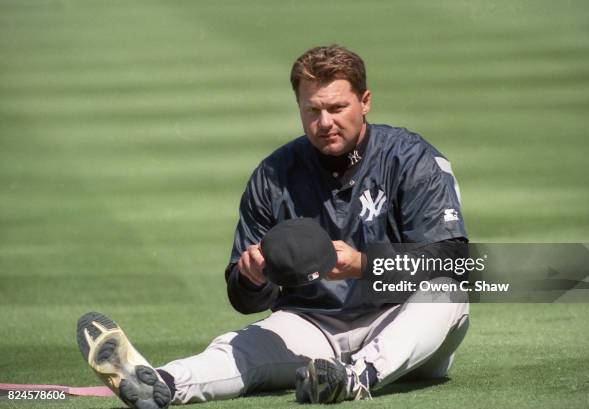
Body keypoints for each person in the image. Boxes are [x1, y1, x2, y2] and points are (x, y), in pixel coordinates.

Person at [76, 45, 470, 408]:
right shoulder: (273, 175)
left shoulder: (410, 160)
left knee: (447, 293)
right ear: (299, 106)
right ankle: (163, 383)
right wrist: (251, 278)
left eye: (336, 108)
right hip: (312, 328)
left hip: (402, 326)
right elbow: (244, 301)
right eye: (312, 110)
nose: (324, 122)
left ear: (365, 102)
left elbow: (454, 258)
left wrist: (364, 264)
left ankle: (356, 377)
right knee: (241, 347)